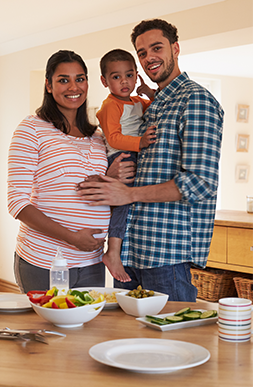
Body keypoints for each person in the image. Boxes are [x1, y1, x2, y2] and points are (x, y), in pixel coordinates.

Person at [77, 19, 224, 302]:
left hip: (166, 254)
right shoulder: (152, 104)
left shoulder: (195, 101)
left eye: (156, 48)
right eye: (142, 53)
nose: (149, 58)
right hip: (132, 251)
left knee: (172, 344)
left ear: (175, 48)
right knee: (128, 343)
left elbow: (200, 183)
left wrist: (128, 193)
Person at [7, 50, 111, 293]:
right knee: (46, 330)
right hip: (44, 261)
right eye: (63, 80)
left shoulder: (97, 136)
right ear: (49, 85)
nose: (73, 87)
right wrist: (71, 237)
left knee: (86, 330)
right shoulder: (31, 129)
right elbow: (17, 203)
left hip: (92, 262)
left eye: (80, 78)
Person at [95, 48, 156, 283]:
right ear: (105, 81)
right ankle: (112, 251)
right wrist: (140, 142)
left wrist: (150, 93)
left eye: (129, 75)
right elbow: (113, 137)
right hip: (121, 157)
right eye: (116, 77)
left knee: (134, 200)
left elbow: (155, 107)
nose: (124, 82)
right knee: (123, 201)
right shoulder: (110, 105)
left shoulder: (136, 101)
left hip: (134, 153)